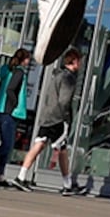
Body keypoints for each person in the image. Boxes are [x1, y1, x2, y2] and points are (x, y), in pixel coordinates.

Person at [15, 47, 82, 193]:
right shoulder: (69, 78)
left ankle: (21, 176)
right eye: (79, 61)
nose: (80, 64)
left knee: (39, 144)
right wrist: (67, 118)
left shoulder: (57, 75)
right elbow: (64, 101)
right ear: (74, 61)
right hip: (58, 118)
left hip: (47, 115)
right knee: (62, 149)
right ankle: (67, 184)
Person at [0, 48, 33, 186]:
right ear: (24, 59)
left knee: (6, 144)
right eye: (28, 59)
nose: (29, 62)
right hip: (9, 112)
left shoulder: (7, 71)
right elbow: (10, 89)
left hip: (1, 109)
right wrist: (13, 104)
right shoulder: (19, 72)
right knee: (7, 146)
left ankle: (0, 175)